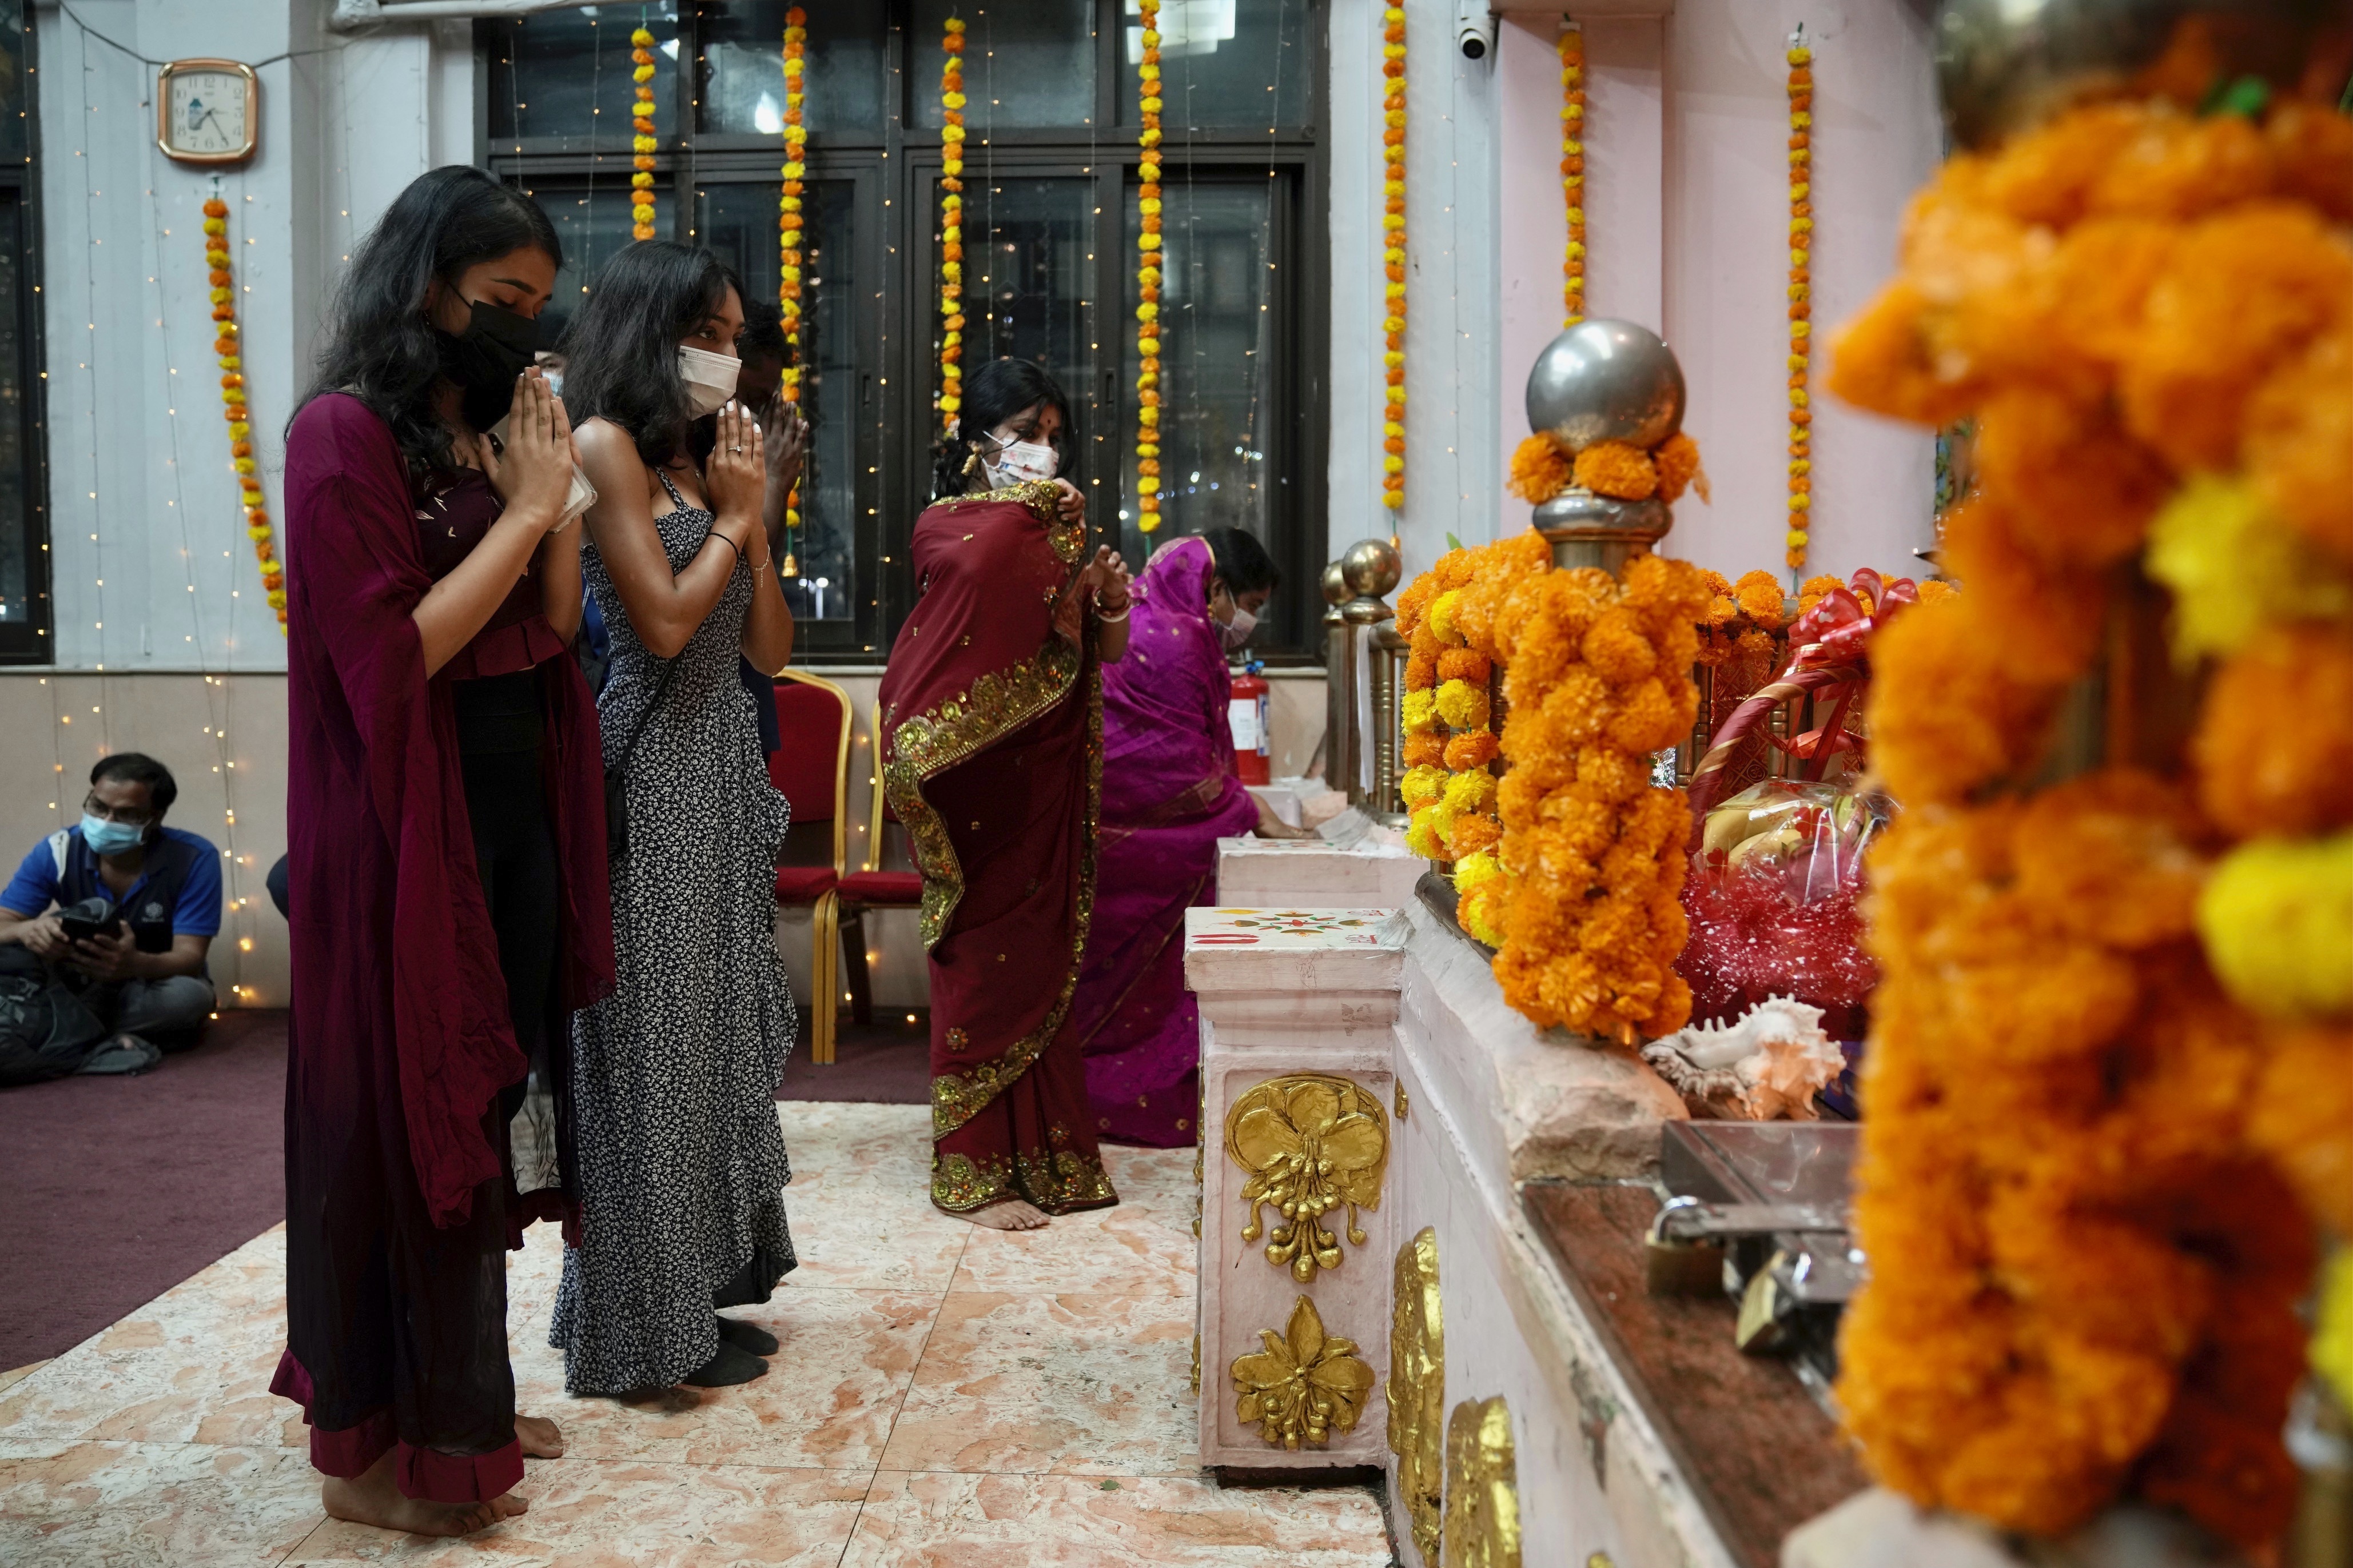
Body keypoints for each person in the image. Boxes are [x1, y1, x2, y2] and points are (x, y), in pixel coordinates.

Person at [273, 165, 614, 1538]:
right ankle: (370, 1441)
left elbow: (545, 616)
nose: (520, 326)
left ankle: (459, 1393)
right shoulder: (337, 433)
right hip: (403, 825)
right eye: (501, 298)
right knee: (386, 1125)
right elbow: (387, 656)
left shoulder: (466, 421)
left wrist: (552, 504)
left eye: (537, 303)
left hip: (511, 802)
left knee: (478, 1105)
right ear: (423, 280)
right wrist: (528, 510)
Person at [554, 241, 801, 1393]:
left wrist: (759, 515)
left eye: (737, 335)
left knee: (709, 1047)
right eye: (715, 332)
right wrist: (741, 523)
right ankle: (634, 1334)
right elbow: (653, 625)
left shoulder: (702, 460)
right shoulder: (600, 443)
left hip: (718, 770)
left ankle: (694, 1294)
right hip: (646, 771)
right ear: (656, 331)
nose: (731, 356)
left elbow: (768, 649)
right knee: (646, 1054)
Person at [877, 356, 1133, 1230]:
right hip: (966, 770)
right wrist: (1043, 535)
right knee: (975, 957)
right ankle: (975, 1166)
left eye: (1053, 436)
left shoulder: (1060, 528)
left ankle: (1050, 1156)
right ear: (978, 439)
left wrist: (1106, 599)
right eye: (1026, 432)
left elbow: (1102, 652)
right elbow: (967, 613)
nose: (1042, 451)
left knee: (1036, 956)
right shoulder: (940, 525)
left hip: (1040, 768)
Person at [1069, 529, 1295, 1146]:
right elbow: (1173, 764)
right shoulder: (1178, 635)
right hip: (1154, 844)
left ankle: (1078, 1092)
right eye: (1249, 601)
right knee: (1154, 979)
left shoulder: (1141, 616)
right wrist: (1244, 809)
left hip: (1102, 836)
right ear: (1216, 588)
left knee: (1100, 982)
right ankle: (1133, 1096)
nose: (1248, 619)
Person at [0, 753, 222, 1076]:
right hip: (69, 980)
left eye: (126, 815)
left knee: (191, 999)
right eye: (98, 807)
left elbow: (189, 957)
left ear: (155, 817)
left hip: (146, 982)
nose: (106, 822)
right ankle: (90, 1034)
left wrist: (132, 965)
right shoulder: (58, 849)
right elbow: (4, 921)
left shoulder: (194, 857)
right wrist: (29, 930)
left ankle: (57, 1030)